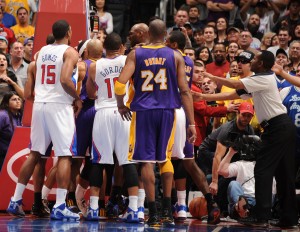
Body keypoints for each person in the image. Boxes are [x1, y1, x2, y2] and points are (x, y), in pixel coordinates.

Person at [193, 50, 298, 229]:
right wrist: (205, 97)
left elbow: (234, 83)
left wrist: (212, 76)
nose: (251, 61)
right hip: (281, 127)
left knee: (263, 170)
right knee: (283, 174)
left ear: (262, 64)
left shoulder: (263, 77)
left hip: (277, 127)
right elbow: (233, 94)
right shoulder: (258, 81)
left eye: (255, 59)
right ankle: (288, 217)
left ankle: (261, 215)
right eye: (244, 114)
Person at [114, 19, 196, 226]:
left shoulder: (135, 54)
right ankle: (169, 209)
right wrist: (191, 123)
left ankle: (153, 212)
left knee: (146, 161)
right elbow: (185, 91)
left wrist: (121, 105)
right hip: (169, 111)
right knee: (165, 158)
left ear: (148, 33)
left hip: (144, 112)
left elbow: (119, 84)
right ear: (166, 35)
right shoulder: (176, 55)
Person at [7, 19, 82, 221]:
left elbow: (28, 93)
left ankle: (15, 199)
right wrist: (77, 98)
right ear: (69, 31)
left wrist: (43, 96)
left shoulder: (39, 54)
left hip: (40, 105)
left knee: (34, 154)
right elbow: (66, 79)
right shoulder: (70, 52)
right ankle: (59, 205)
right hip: (59, 106)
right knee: (65, 155)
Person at [167, 30, 222, 225]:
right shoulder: (189, 62)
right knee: (188, 161)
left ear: (173, 44)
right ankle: (207, 202)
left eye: (167, 41)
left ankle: (168, 205)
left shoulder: (170, 57)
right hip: (184, 113)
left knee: (162, 160)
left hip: (169, 110)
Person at [86, 32, 139, 222]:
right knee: (128, 161)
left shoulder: (94, 66)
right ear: (122, 48)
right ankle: (134, 208)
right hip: (125, 111)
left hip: (103, 113)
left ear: (104, 49)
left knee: (99, 161)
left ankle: (93, 208)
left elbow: (91, 93)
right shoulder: (128, 60)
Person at [0, 91, 22, 170]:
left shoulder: (19, 116)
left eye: (19, 99)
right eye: (14, 99)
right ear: (6, 103)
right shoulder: (2, 115)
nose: (17, 101)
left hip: (13, 155)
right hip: (2, 156)